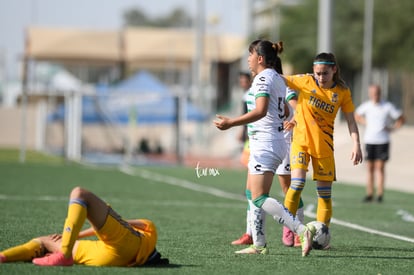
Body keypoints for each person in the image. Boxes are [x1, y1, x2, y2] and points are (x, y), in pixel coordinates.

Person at [214, 39, 315, 257]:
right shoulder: (277, 78)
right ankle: (259, 244)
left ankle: (301, 230)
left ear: (260, 58)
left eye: (250, 55)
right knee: (252, 193)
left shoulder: (262, 79)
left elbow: (260, 111)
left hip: (266, 144)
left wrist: (231, 123)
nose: (248, 60)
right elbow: (287, 112)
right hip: (270, 142)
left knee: (259, 197)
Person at [282, 53, 363, 248]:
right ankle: (289, 229)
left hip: (324, 147)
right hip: (300, 142)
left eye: (324, 73)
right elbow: (279, 79)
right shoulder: (306, 80)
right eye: (317, 73)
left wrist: (357, 144)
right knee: (297, 184)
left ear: (334, 69)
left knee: (324, 195)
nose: (320, 77)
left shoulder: (342, 92)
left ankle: (321, 235)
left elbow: (351, 120)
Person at [0, 186, 168, 267]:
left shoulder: (149, 228)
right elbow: (107, 226)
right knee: (45, 242)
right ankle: (3, 256)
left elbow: (122, 222)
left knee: (80, 194)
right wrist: (72, 237)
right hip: (111, 256)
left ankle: (64, 254)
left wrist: (74, 236)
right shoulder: (149, 233)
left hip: (121, 247)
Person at [231, 87, 306, 248]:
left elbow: (297, 109)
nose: (250, 63)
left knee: (288, 190)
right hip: (260, 145)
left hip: (282, 144)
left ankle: (296, 230)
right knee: (251, 192)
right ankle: (251, 234)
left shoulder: (282, 86)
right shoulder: (256, 87)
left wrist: (293, 121)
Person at [355, 84, 405, 203]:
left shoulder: (387, 106)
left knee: (380, 167)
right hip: (369, 140)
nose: (374, 95)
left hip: (383, 140)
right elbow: (356, 115)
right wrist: (365, 122)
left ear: (380, 93)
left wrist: (393, 128)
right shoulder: (366, 106)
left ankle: (380, 194)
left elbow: (401, 118)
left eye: (376, 93)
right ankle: (369, 193)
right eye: (372, 93)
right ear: (369, 94)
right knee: (370, 168)